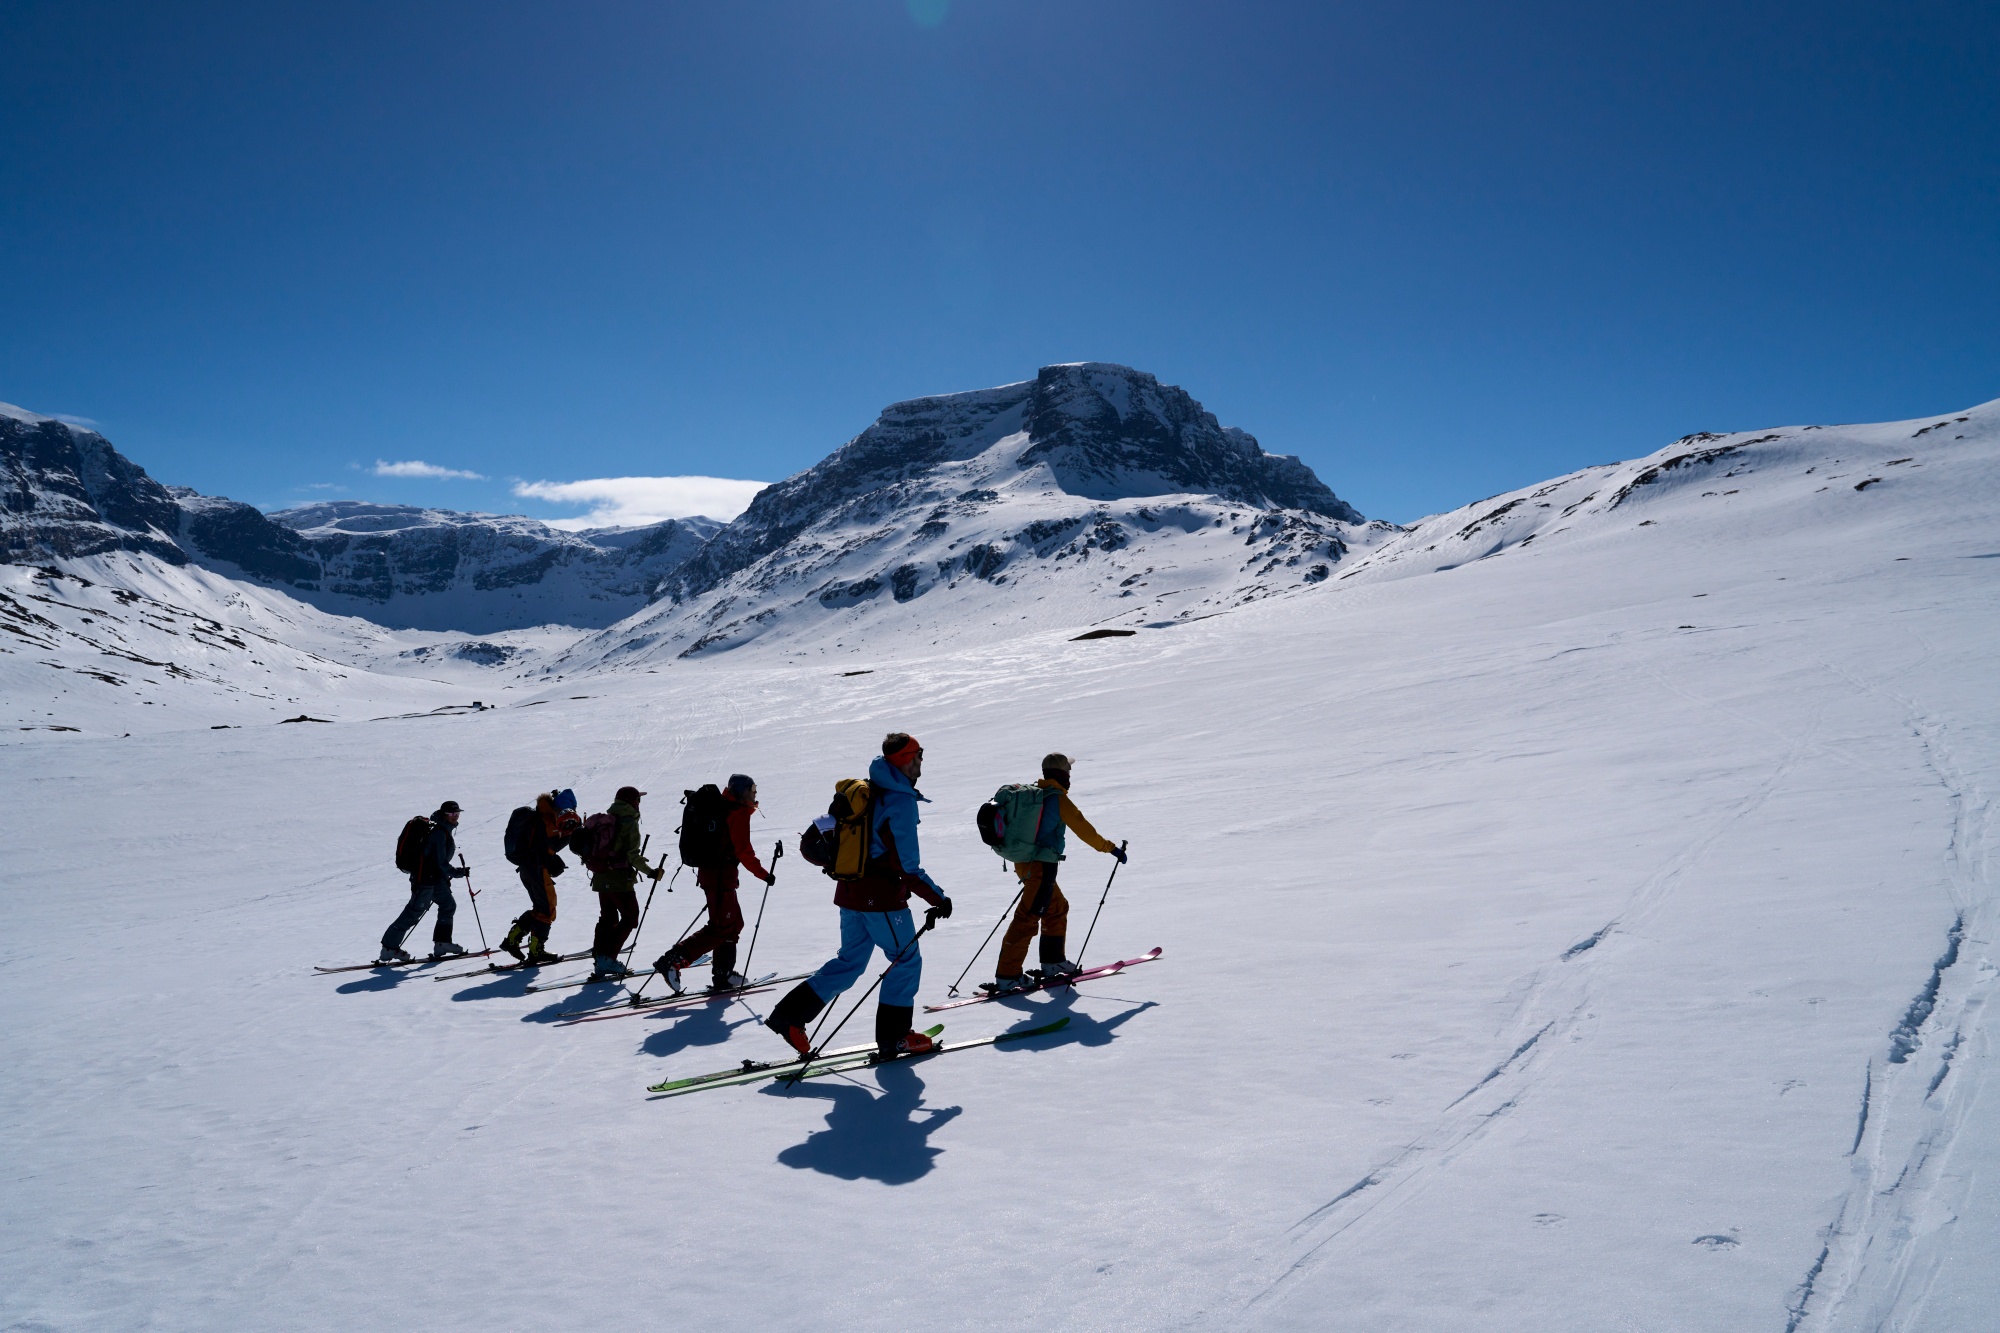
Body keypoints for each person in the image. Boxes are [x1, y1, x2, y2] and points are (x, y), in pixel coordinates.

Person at [764, 733, 953, 1061]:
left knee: (850, 963)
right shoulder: (898, 801)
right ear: (905, 760)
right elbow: (907, 866)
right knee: (905, 960)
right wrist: (938, 898)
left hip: (850, 892)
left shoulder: (865, 789)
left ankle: (790, 1017)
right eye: (918, 756)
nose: (921, 762)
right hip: (881, 899)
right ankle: (895, 1038)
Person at [986, 752, 1125, 993]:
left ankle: (1052, 961)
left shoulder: (1036, 795)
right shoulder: (1057, 799)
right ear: (1063, 774)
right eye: (1068, 771)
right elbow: (1084, 829)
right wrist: (1110, 848)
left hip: (1027, 862)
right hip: (1042, 866)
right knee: (1027, 917)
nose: (1070, 775)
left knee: (1056, 907)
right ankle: (1008, 975)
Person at [654, 774, 774, 993]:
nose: (755, 794)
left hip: (720, 876)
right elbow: (743, 851)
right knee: (720, 927)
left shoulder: (727, 809)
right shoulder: (735, 813)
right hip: (719, 876)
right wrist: (764, 874)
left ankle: (724, 974)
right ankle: (672, 961)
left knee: (733, 924)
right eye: (752, 790)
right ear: (740, 791)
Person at [379, 800, 473, 963]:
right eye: (451, 814)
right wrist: (458, 873)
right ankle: (389, 947)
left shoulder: (443, 830)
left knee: (448, 905)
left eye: (457, 814)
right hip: (425, 881)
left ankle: (442, 943)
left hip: (435, 880)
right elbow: (440, 863)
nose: (455, 817)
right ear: (444, 814)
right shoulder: (438, 833)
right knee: (413, 913)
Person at [588, 785, 662, 981]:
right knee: (630, 916)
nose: (639, 803)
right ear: (631, 801)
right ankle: (608, 959)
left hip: (601, 875)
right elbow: (633, 856)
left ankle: (600, 959)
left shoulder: (605, 820)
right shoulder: (628, 822)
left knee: (607, 917)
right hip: (619, 878)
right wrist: (652, 872)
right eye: (638, 799)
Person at [500, 789, 580, 966]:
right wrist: (570, 833)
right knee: (547, 909)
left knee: (540, 907)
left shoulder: (540, 815)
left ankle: (512, 940)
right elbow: (549, 847)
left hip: (527, 868)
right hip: (537, 870)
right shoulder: (547, 819)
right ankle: (536, 951)